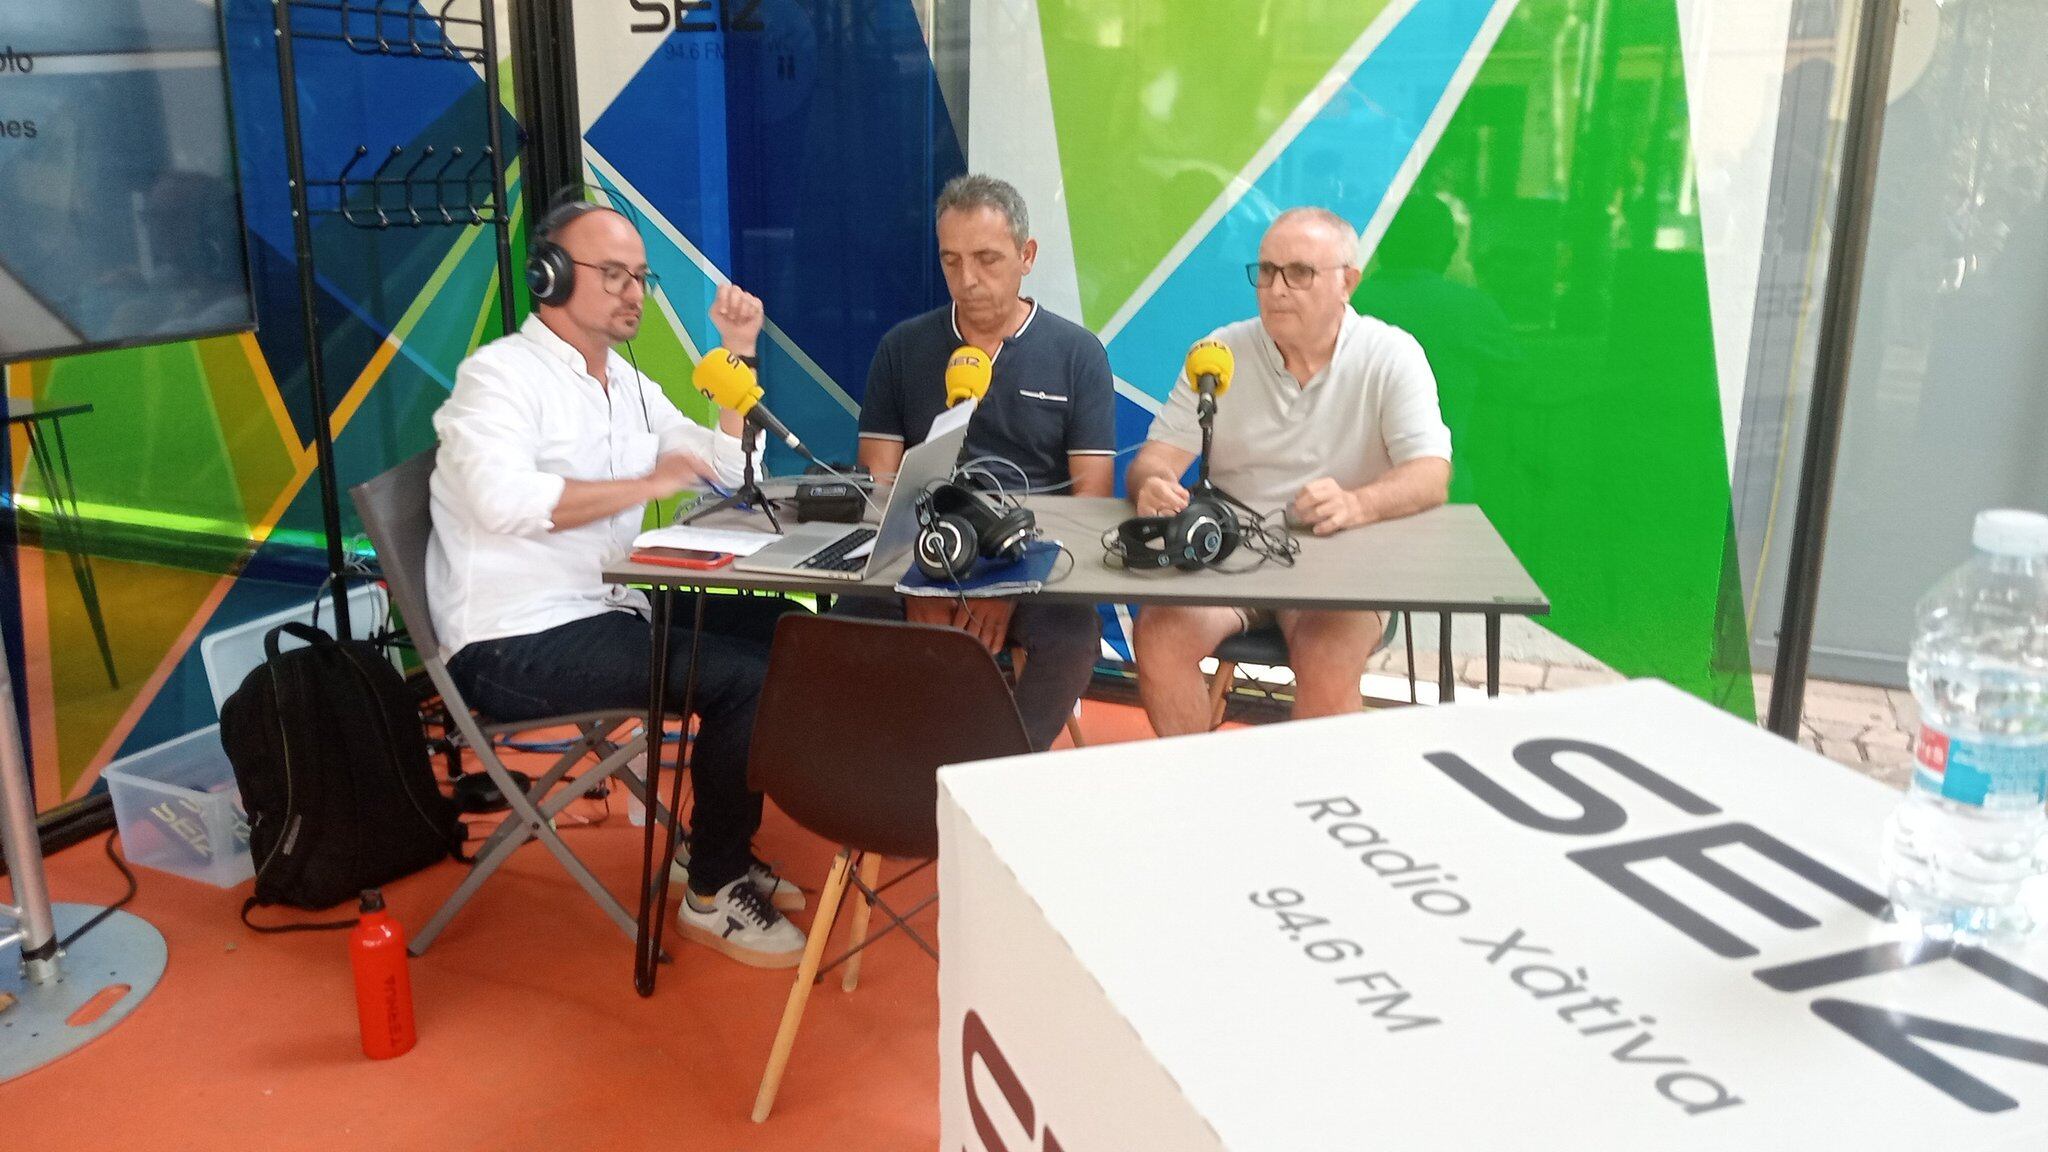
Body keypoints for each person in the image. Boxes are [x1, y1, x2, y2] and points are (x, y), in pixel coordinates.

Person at [427, 200, 805, 968]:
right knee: (742, 682)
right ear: (550, 276)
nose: (633, 292)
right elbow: (507, 501)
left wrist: (737, 356)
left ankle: (709, 848)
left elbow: (732, 473)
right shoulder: (497, 378)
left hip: (605, 605)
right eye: (612, 275)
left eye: (640, 276)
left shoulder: (627, 385)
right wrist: (645, 483)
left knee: (786, 632)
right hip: (513, 639)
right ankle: (714, 889)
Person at [1124, 207, 1454, 736]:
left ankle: (1312, 808)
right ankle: (1203, 794)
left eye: (1299, 273)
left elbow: (1431, 473)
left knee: (1324, 661)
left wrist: (1358, 503)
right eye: (1267, 271)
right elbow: (1155, 460)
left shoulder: (1391, 355)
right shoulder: (1219, 352)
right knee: (1159, 632)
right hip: (1233, 554)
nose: (1276, 289)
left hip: (1340, 562)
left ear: (1348, 282)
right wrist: (1152, 486)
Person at [847, 174, 1116, 750]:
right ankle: (881, 782)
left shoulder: (1077, 354)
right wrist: (920, 584)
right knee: (833, 631)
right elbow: (879, 487)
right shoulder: (903, 348)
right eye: (951, 261)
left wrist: (1010, 585)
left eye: (988, 259)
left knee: (1073, 638)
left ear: (1027, 256)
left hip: (1032, 565)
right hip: (922, 562)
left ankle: (991, 774)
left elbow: (1090, 501)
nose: (967, 281)